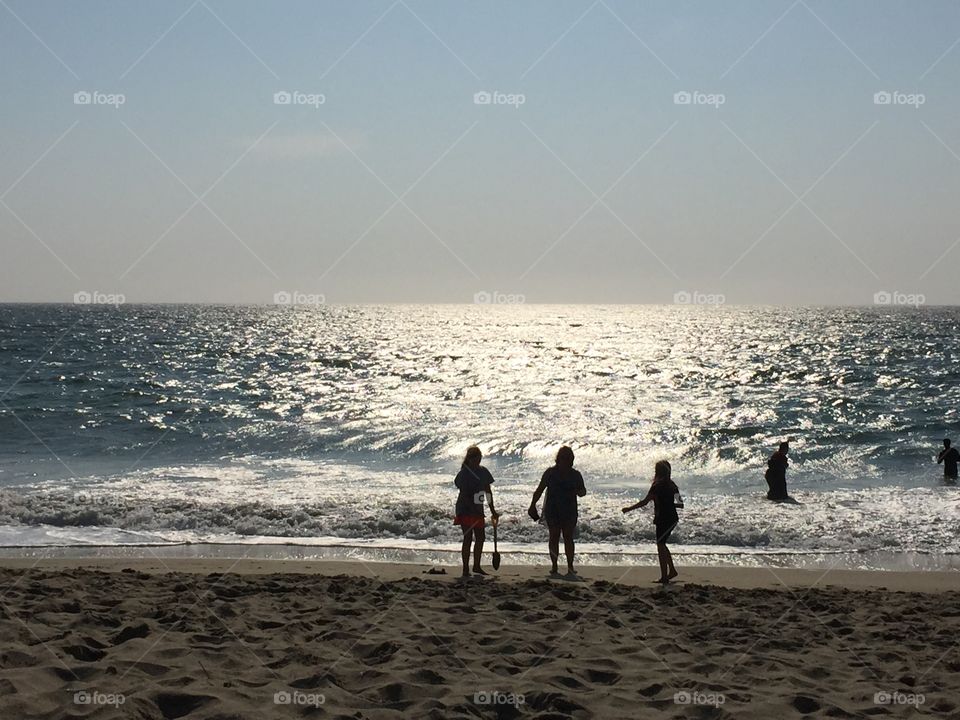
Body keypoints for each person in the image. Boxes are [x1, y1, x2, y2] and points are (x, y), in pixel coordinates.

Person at [528, 446, 586, 578]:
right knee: (553, 536)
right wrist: (532, 505)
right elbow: (539, 490)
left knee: (568, 538)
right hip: (552, 509)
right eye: (563, 458)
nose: (565, 461)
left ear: (571, 460)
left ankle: (570, 566)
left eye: (568, 459)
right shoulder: (550, 473)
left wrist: (576, 491)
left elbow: (583, 492)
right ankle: (554, 566)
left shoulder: (575, 475)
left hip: (569, 510)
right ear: (558, 459)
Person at [622, 460, 683, 584]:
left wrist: (629, 509)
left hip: (662, 519)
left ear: (657, 472)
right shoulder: (673, 485)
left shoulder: (656, 486)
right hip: (673, 518)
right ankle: (671, 571)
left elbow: (645, 502)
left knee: (660, 545)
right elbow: (680, 504)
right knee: (662, 544)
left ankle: (664, 576)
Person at [453, 446, 499, 578]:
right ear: (470, 459)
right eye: (475, 460)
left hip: (478, 508)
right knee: (468, 538)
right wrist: (472, 508)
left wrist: (493, 510)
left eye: (479, 460)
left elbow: (488, 492)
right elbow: (464, 494)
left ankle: (477, 566)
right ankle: (465, 569)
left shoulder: (483, 472)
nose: (477, 462)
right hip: (464, 508)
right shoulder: (464, 473)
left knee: (481, 537)